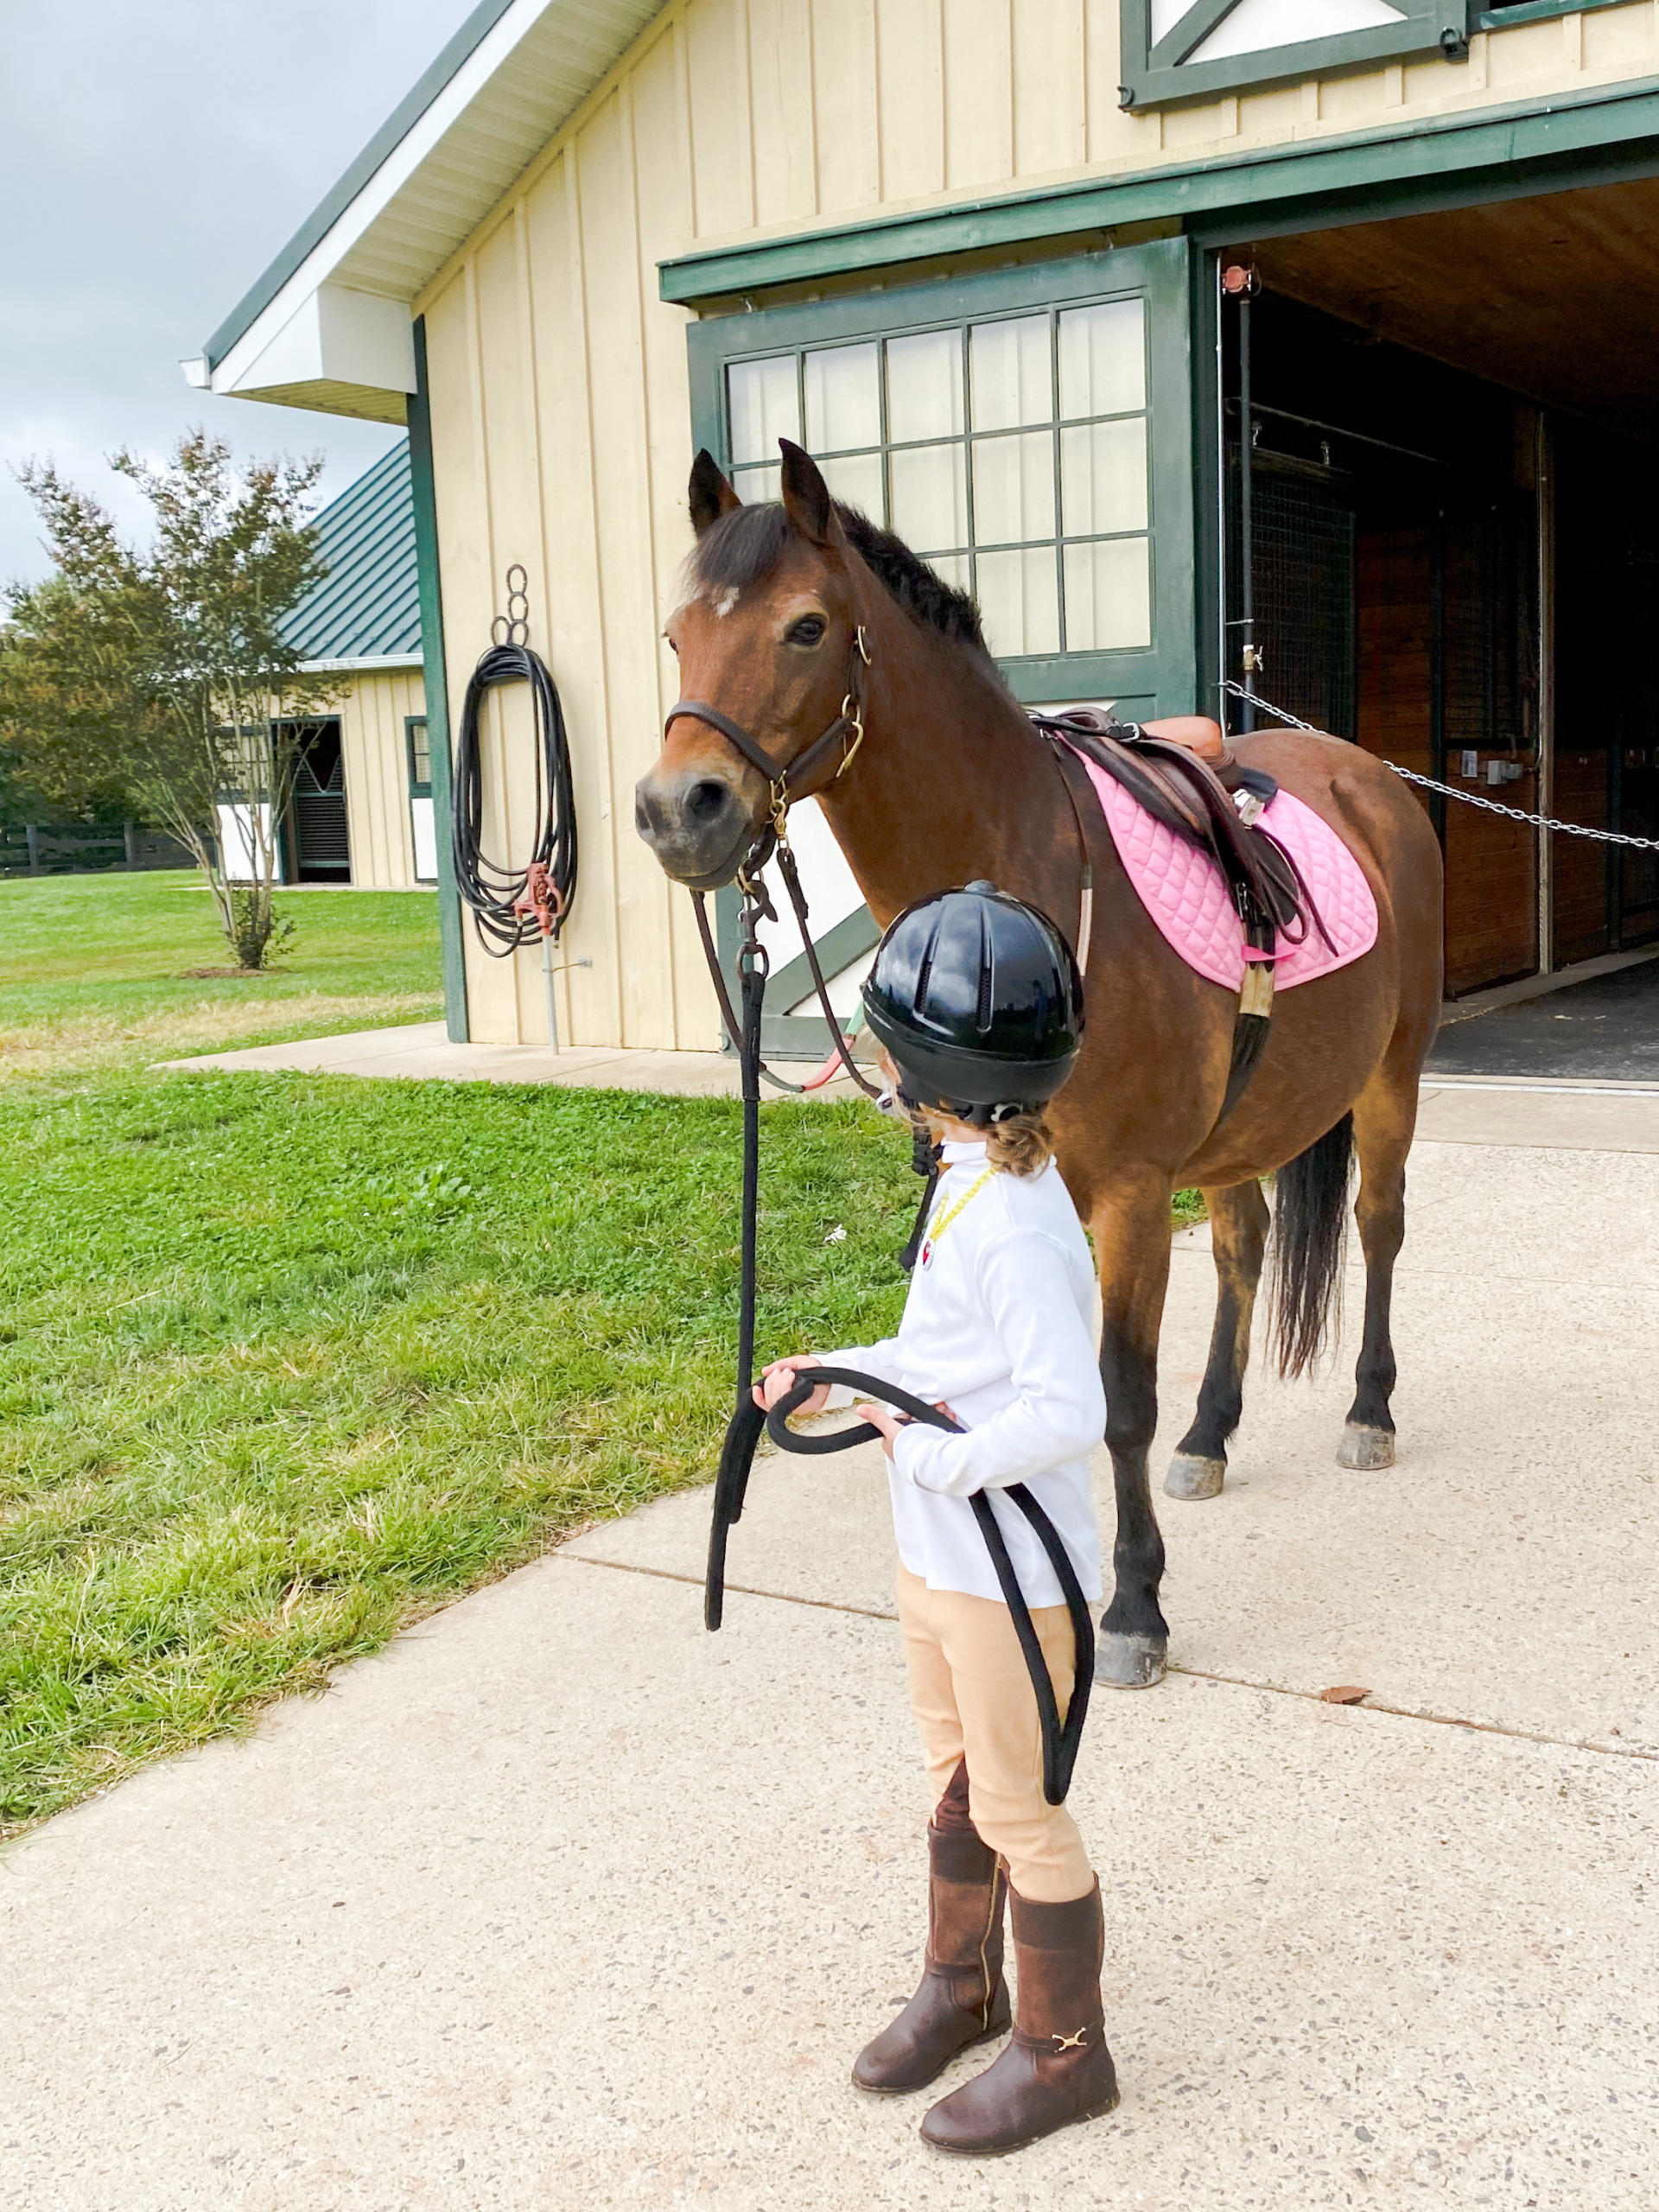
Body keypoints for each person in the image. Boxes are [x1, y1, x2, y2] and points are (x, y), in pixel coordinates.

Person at [754, 881, 1117, 2158]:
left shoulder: (1014, 1222)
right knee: (956, 1784)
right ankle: (962, 1988)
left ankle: (1066, 2055)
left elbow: (1068, 1407)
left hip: (1007, 1574)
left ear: (920, 1072)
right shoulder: (972, 1178)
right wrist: (840, 1372)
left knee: (1019, 1809)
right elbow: (943, 1355)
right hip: (940, 1561)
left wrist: (946, 1464)